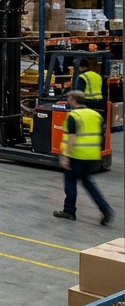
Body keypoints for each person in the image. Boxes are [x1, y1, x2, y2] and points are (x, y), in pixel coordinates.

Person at [55, 90, 113, 225]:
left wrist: (65, 156)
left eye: (69, 99)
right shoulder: (96, 115)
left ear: (74, 100)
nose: (68, 101)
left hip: (76, 155)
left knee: (70, 182)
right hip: (92, 155)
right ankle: (104, 208)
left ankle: (69, 211)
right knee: (87, 182)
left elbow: (71, 137)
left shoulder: (74, 115)